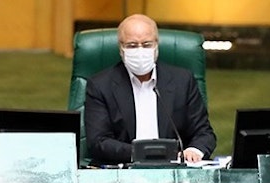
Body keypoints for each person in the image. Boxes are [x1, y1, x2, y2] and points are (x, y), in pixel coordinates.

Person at [85, 14, 216, 166]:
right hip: (123, 172)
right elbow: (98, 142)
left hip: (174, 174)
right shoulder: (100, 85)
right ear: (120, 48)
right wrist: (145, 154)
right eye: (132, 45)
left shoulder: (182, 81)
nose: (140, 51)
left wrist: (194, 150)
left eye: (147, 44)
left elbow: (204, 133)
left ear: (156, 45)